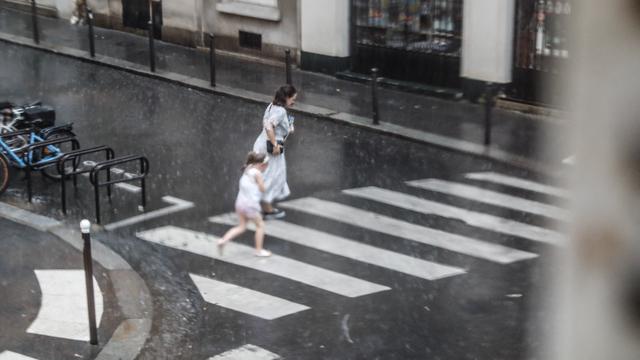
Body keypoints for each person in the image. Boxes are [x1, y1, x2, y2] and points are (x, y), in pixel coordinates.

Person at [252, 85, 297, 219]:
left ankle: (256, 202)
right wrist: (275, 144)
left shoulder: (271, 106)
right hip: (270, 149)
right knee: (273, 176)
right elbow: (269, 126)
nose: (294, 102)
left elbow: (270, 125)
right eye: (293, 99)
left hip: (261, 143)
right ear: (286, 98)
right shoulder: (281, 111)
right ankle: (267, 209)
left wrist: (289, 128)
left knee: (267, 174)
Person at [217, 152, 272, 257]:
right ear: (262, 165)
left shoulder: (248, 168)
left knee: (242, 226)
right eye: (267, 165)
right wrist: (268, 183)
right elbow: (262, 189)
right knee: (260, 225)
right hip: (250, 205)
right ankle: (258, 250)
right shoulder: (257, 173)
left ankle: (223, 240)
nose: (267, 167)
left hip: (240, 203)